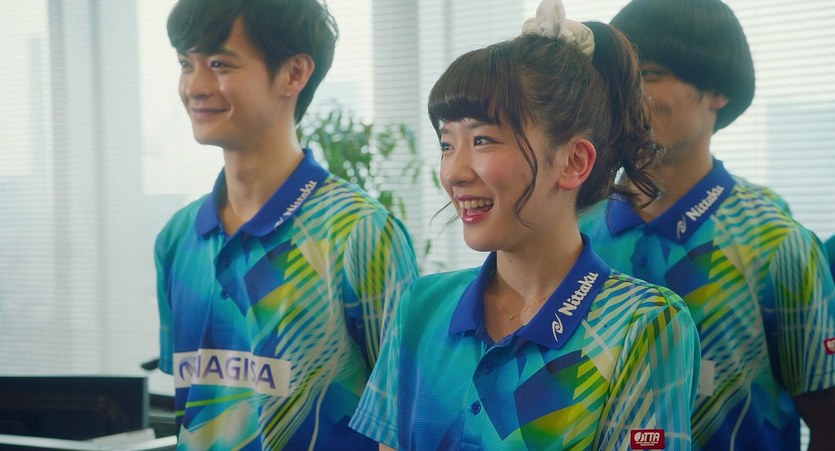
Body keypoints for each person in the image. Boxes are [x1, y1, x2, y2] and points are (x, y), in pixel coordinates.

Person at [349, 1, 700, 449]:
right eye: (446, 144)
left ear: (573, 162)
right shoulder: (420, 308)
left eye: (482, 140)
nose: (453, 173)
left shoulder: (641, 323)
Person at [154, 0, 419, 449]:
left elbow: (405, 420)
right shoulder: (178, 238)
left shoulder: (363, 234)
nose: (194, 86)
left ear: (295, 73)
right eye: (186, 63)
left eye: (219, 64)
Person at [579, 0, 835, 449]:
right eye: (618, 79)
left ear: (717, 91)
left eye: (650, 75)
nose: (627, 97)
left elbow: (828, 423)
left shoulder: (778, 245)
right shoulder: (572, 230)